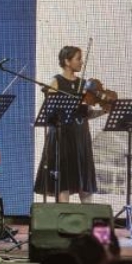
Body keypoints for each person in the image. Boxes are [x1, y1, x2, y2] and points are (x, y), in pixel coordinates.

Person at [34, 46, 99, 203]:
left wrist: (104, 110)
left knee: (84, 177)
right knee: (63, 178)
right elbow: (50, 112)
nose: (81, 62)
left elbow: (87, 114)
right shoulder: (56, 82)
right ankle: (64, 219)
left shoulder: (84, 84)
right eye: (78, 58)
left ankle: (89, 221)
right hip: (62, 135)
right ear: (67, 61)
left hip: (80, 135)